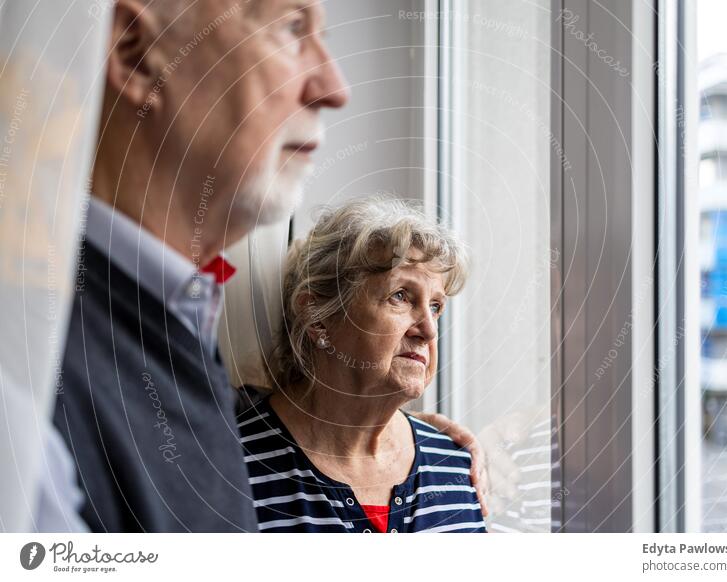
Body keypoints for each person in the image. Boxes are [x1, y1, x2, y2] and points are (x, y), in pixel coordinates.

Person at [42, 0, 485, 532]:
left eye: (437, 304)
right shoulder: (39, 371)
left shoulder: (173, 334)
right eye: (291, 26)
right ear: (137, 53)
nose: (334, 86)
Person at [238, 198, 487, 533]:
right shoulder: (230, 466)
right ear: (317, 317)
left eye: (436, 306)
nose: (428, 330)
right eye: (400, 296)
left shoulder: (455, 465)